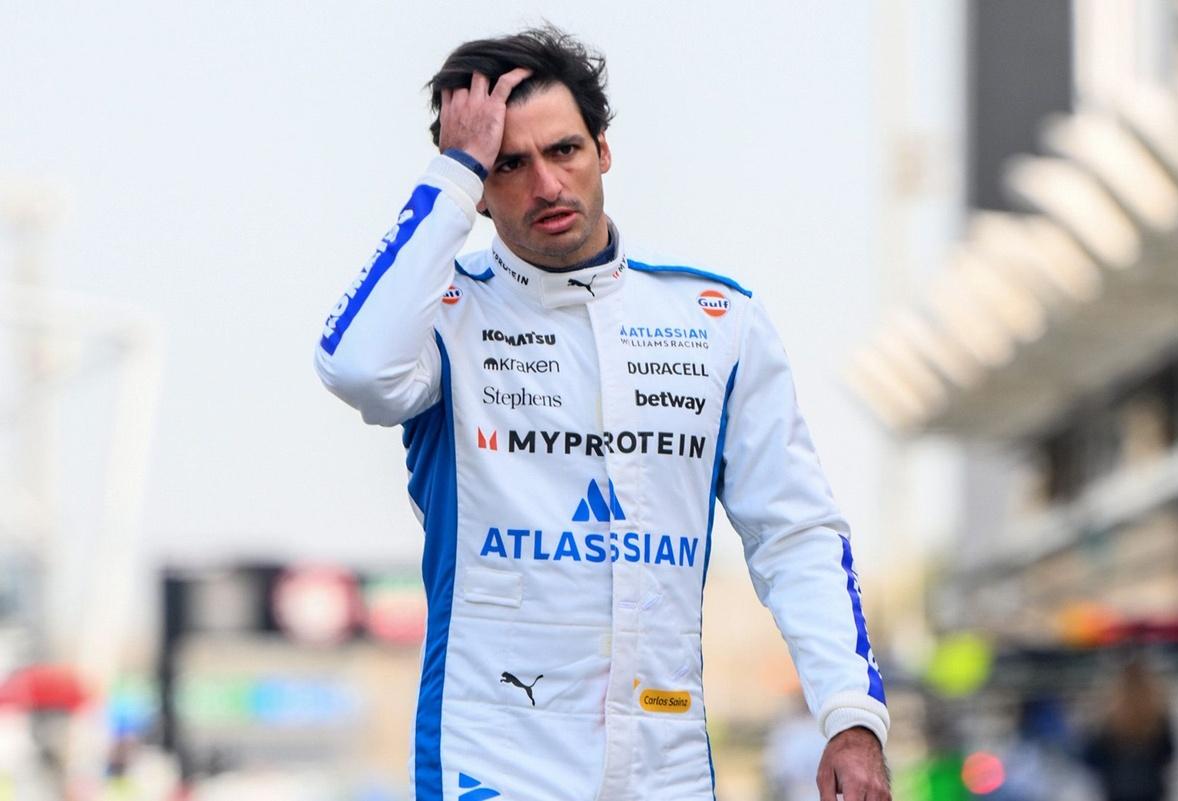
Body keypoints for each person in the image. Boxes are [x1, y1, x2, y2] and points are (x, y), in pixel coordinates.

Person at [314, 26, 890, 801]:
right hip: (493, 764)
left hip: (665, 762)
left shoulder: (718, 320)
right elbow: (356, 367)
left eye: (565, 150)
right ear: (479, 189)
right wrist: (450, 175)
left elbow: (796, 534)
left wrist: (850, 715)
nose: (547, 184)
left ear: (604, 150)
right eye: (509, 164)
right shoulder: (444, 316)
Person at [1082, 659, 1176, 801]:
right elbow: (1168, 754)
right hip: (1151, 789)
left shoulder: (1108, 720)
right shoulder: (1158, 718)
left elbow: (1092, 758)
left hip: (1116, 790)